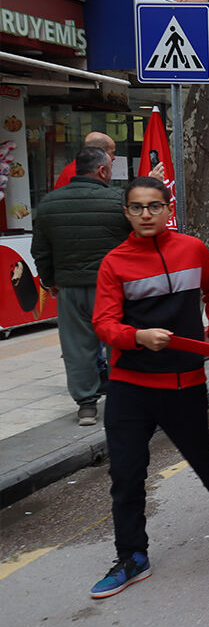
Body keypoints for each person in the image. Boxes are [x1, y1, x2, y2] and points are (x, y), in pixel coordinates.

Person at [88, 177, 209, 599]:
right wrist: (137, 338)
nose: (146, 214)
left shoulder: (193, 250)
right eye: (136, 207)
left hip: (184, 382)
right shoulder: (114, 263)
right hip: (130, 385)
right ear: (126, 213)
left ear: (169, 210)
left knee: (202, 457)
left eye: (154, 206)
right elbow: (104, 324)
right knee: (126, 475)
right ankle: (132, 556)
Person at [31, 147, 132, 425]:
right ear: (101, 170)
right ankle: (122, 397)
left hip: (71, 288)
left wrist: (50, 281)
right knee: (118, 340)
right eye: (110, 167)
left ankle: (86, 405)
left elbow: (40, 250)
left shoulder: (50, 203)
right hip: (113, 287)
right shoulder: (118, 200)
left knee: (77, 346)